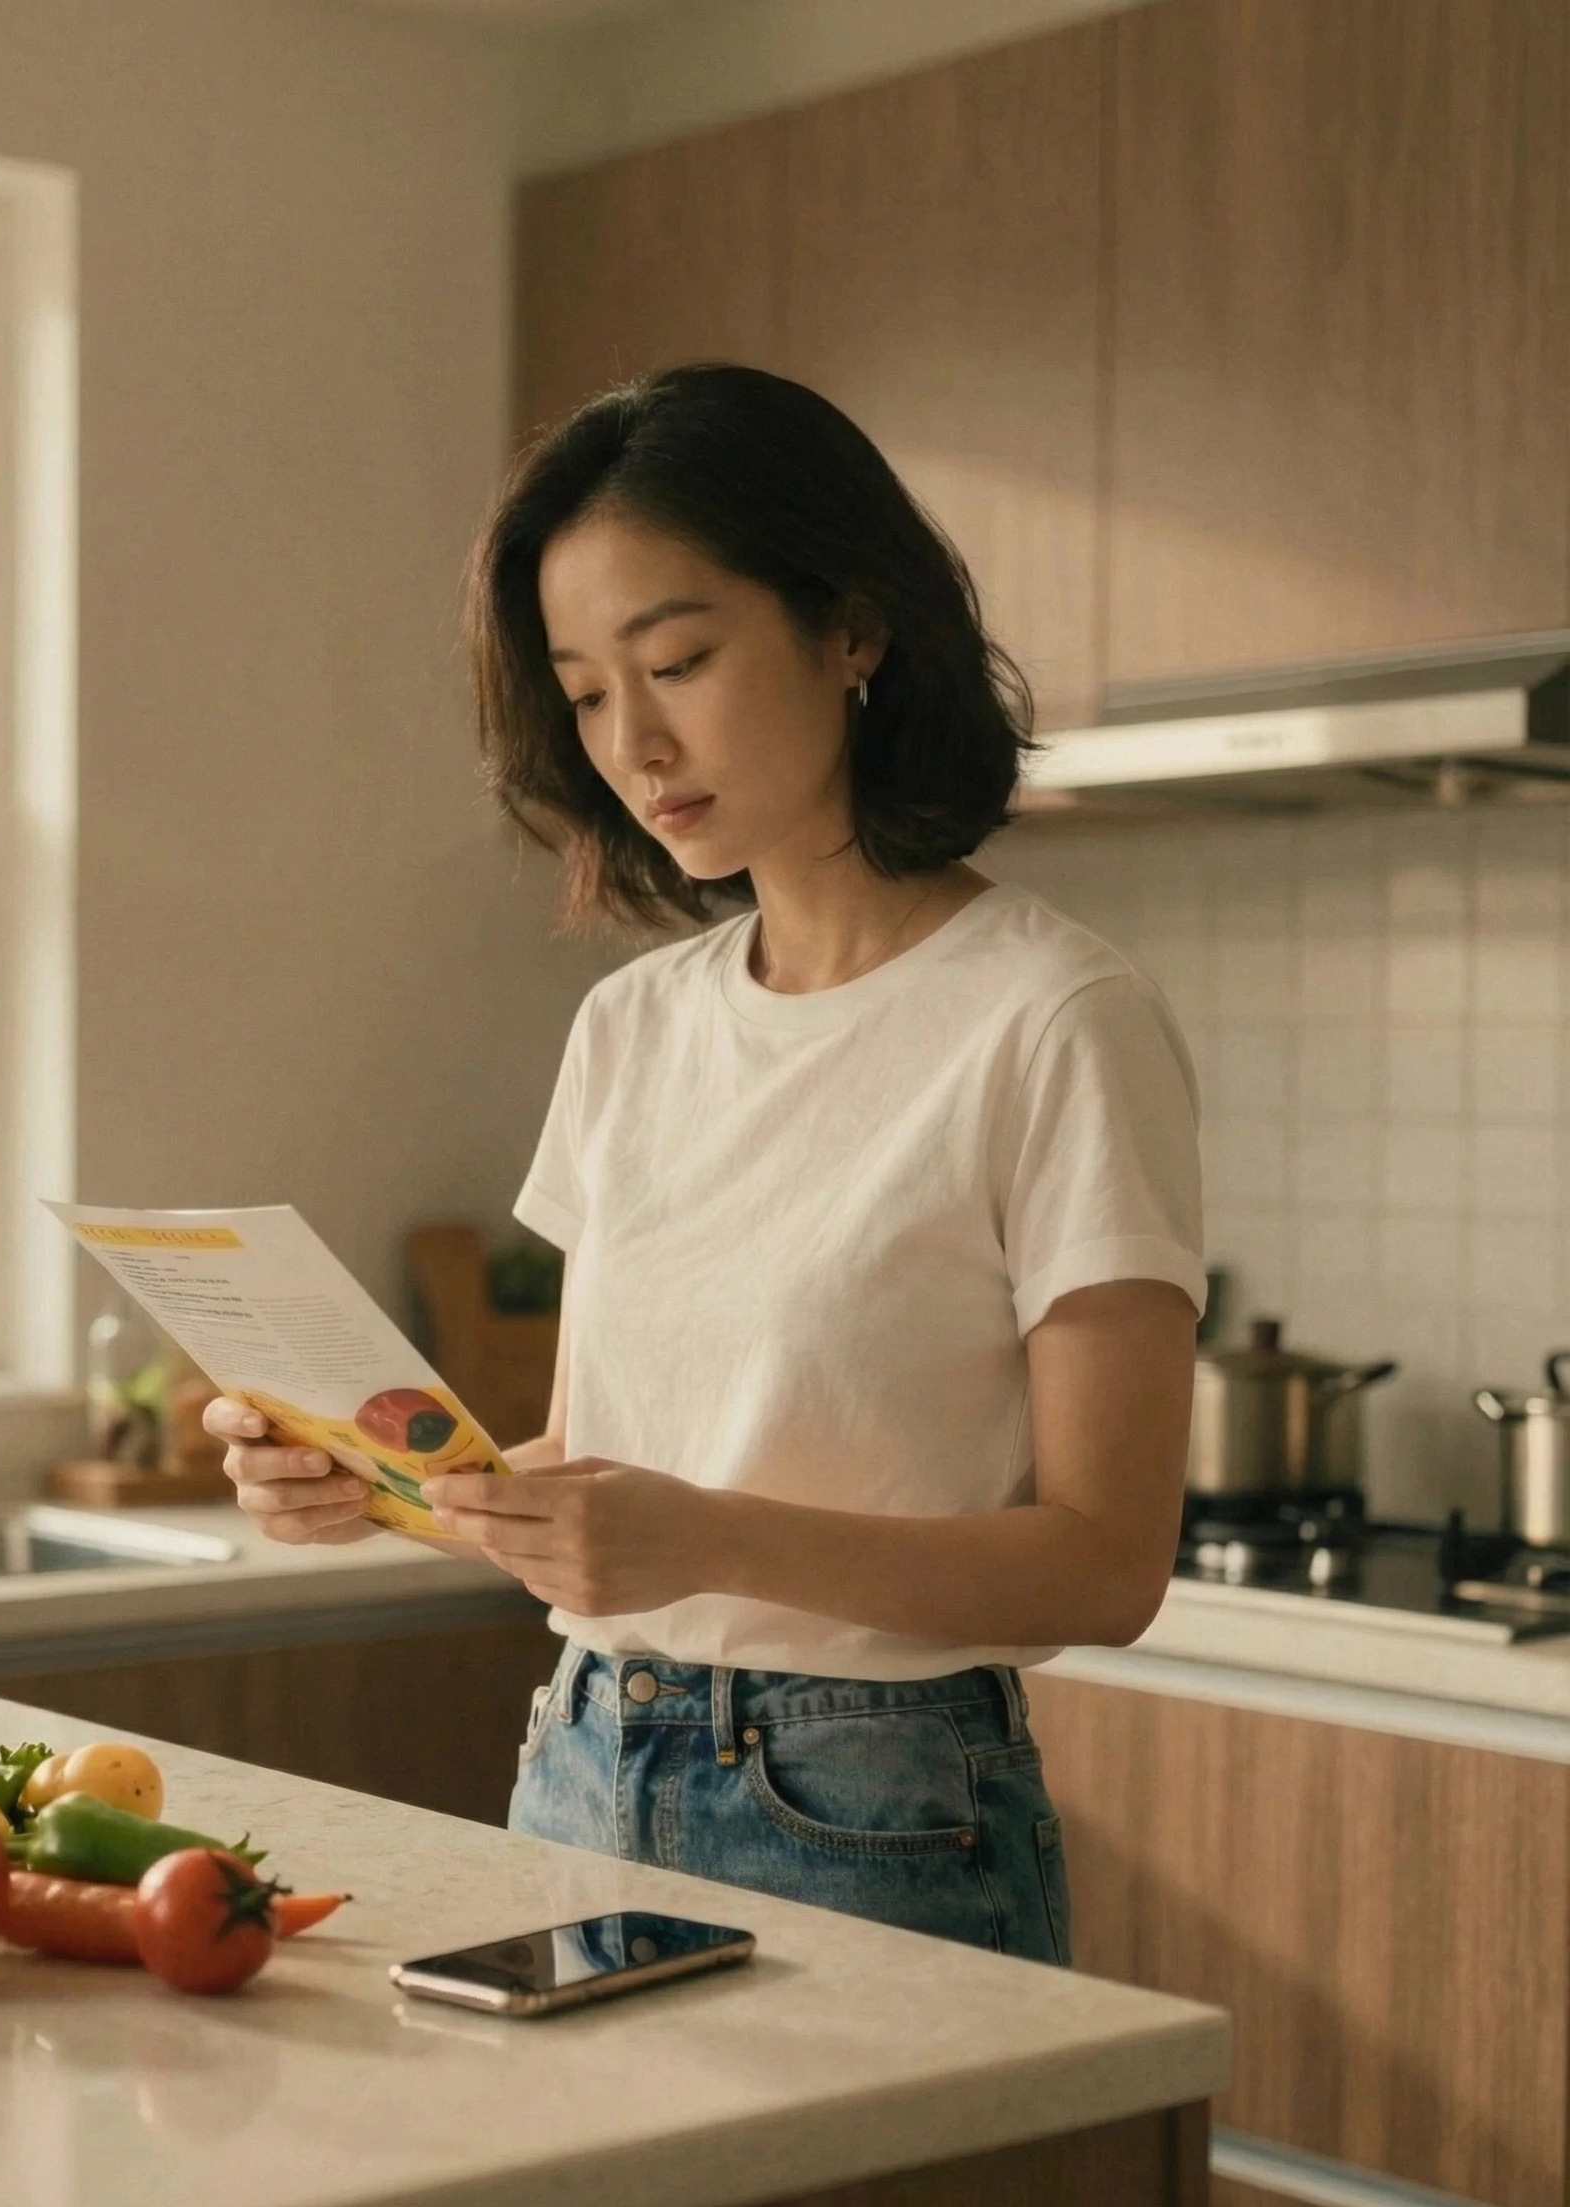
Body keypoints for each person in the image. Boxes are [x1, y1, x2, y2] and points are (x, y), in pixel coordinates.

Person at [204, 364, 1203, 1962]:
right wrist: (377, 1486)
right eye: (588, 691)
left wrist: (709, 1540)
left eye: (677, 660)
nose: (635, 741)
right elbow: (613, 1476)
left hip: (876, 1808)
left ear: (855, 629)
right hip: (581, 1760)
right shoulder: (632, 1027)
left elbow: (1106, 1562)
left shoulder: (1055, 1020)